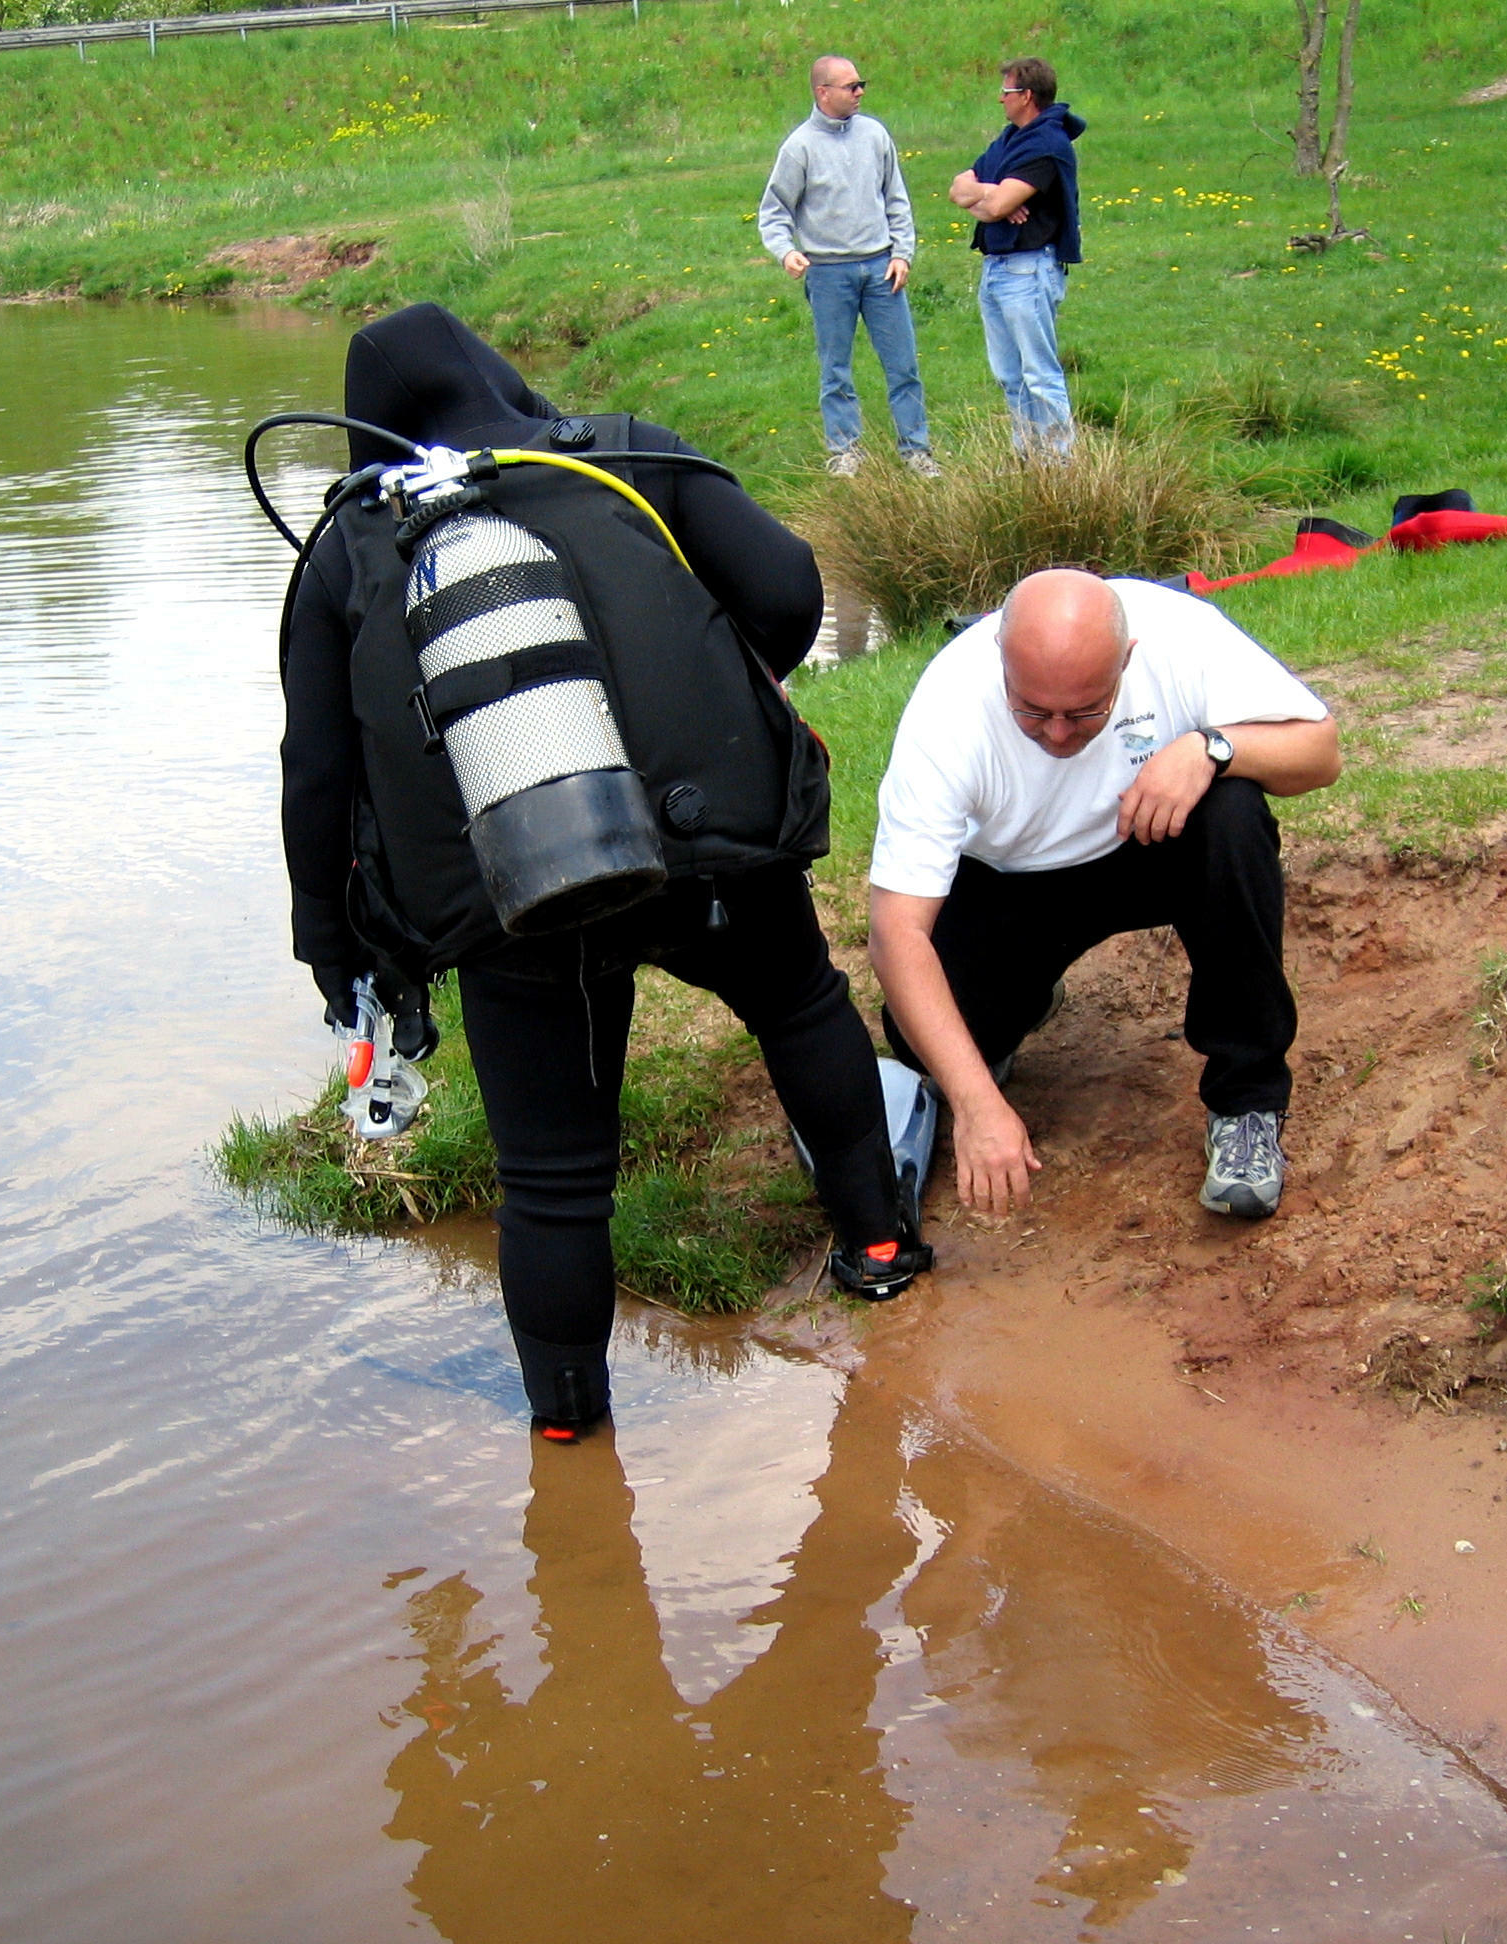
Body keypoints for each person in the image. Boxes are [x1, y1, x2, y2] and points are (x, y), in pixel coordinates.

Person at [279, 303, 929, 1445]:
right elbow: (788, 592)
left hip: (516, 893)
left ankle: (568, 1434)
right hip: (711, 847)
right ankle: (877, 1245)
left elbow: (319, 775)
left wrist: (332, 947)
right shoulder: (623, 452)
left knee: (551, 1179)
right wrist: (717, 692)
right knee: (797, 1006)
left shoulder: (347, 547)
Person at [864, 569, 1340, 1223]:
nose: (1059, 734)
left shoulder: (1180, 634)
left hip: (1148, 841)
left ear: (1127, 658)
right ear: (999, 654)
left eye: (1086, 711)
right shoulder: (948, 707)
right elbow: (896, 931)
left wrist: (1212, 748)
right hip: (1011, 882)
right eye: (1033, 711)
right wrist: (975, 1102)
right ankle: (1027, 997)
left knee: (1233, 813)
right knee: (921, 1044)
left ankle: (1247, 1103)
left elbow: (1321, 752)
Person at [757, 54, 936, 478]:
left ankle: (916, 451)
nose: (860, 92)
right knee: (835, 370)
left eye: (861, 85)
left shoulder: (875, 134)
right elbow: (774, 210)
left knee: (903, 366)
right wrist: (785, 251)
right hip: (828, 274)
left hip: (882, 269)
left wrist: (902, 254)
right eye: (851, 86)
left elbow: (896, 199)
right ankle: (845, 451)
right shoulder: (799, 147)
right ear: (823, 92)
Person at [948, 57, 1085, 459]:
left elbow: (993, 206)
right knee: (1010, 376)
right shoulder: (1009, 140)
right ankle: (1028, 460)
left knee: (1039, 374)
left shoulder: (1047, 144)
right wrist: (993, 193)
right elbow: (958, 188)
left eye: (1006, 92)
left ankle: (1059, 465)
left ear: (1026, 96)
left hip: (1028, 271)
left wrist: (989, 198)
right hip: (996, 269)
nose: (1000, 99)